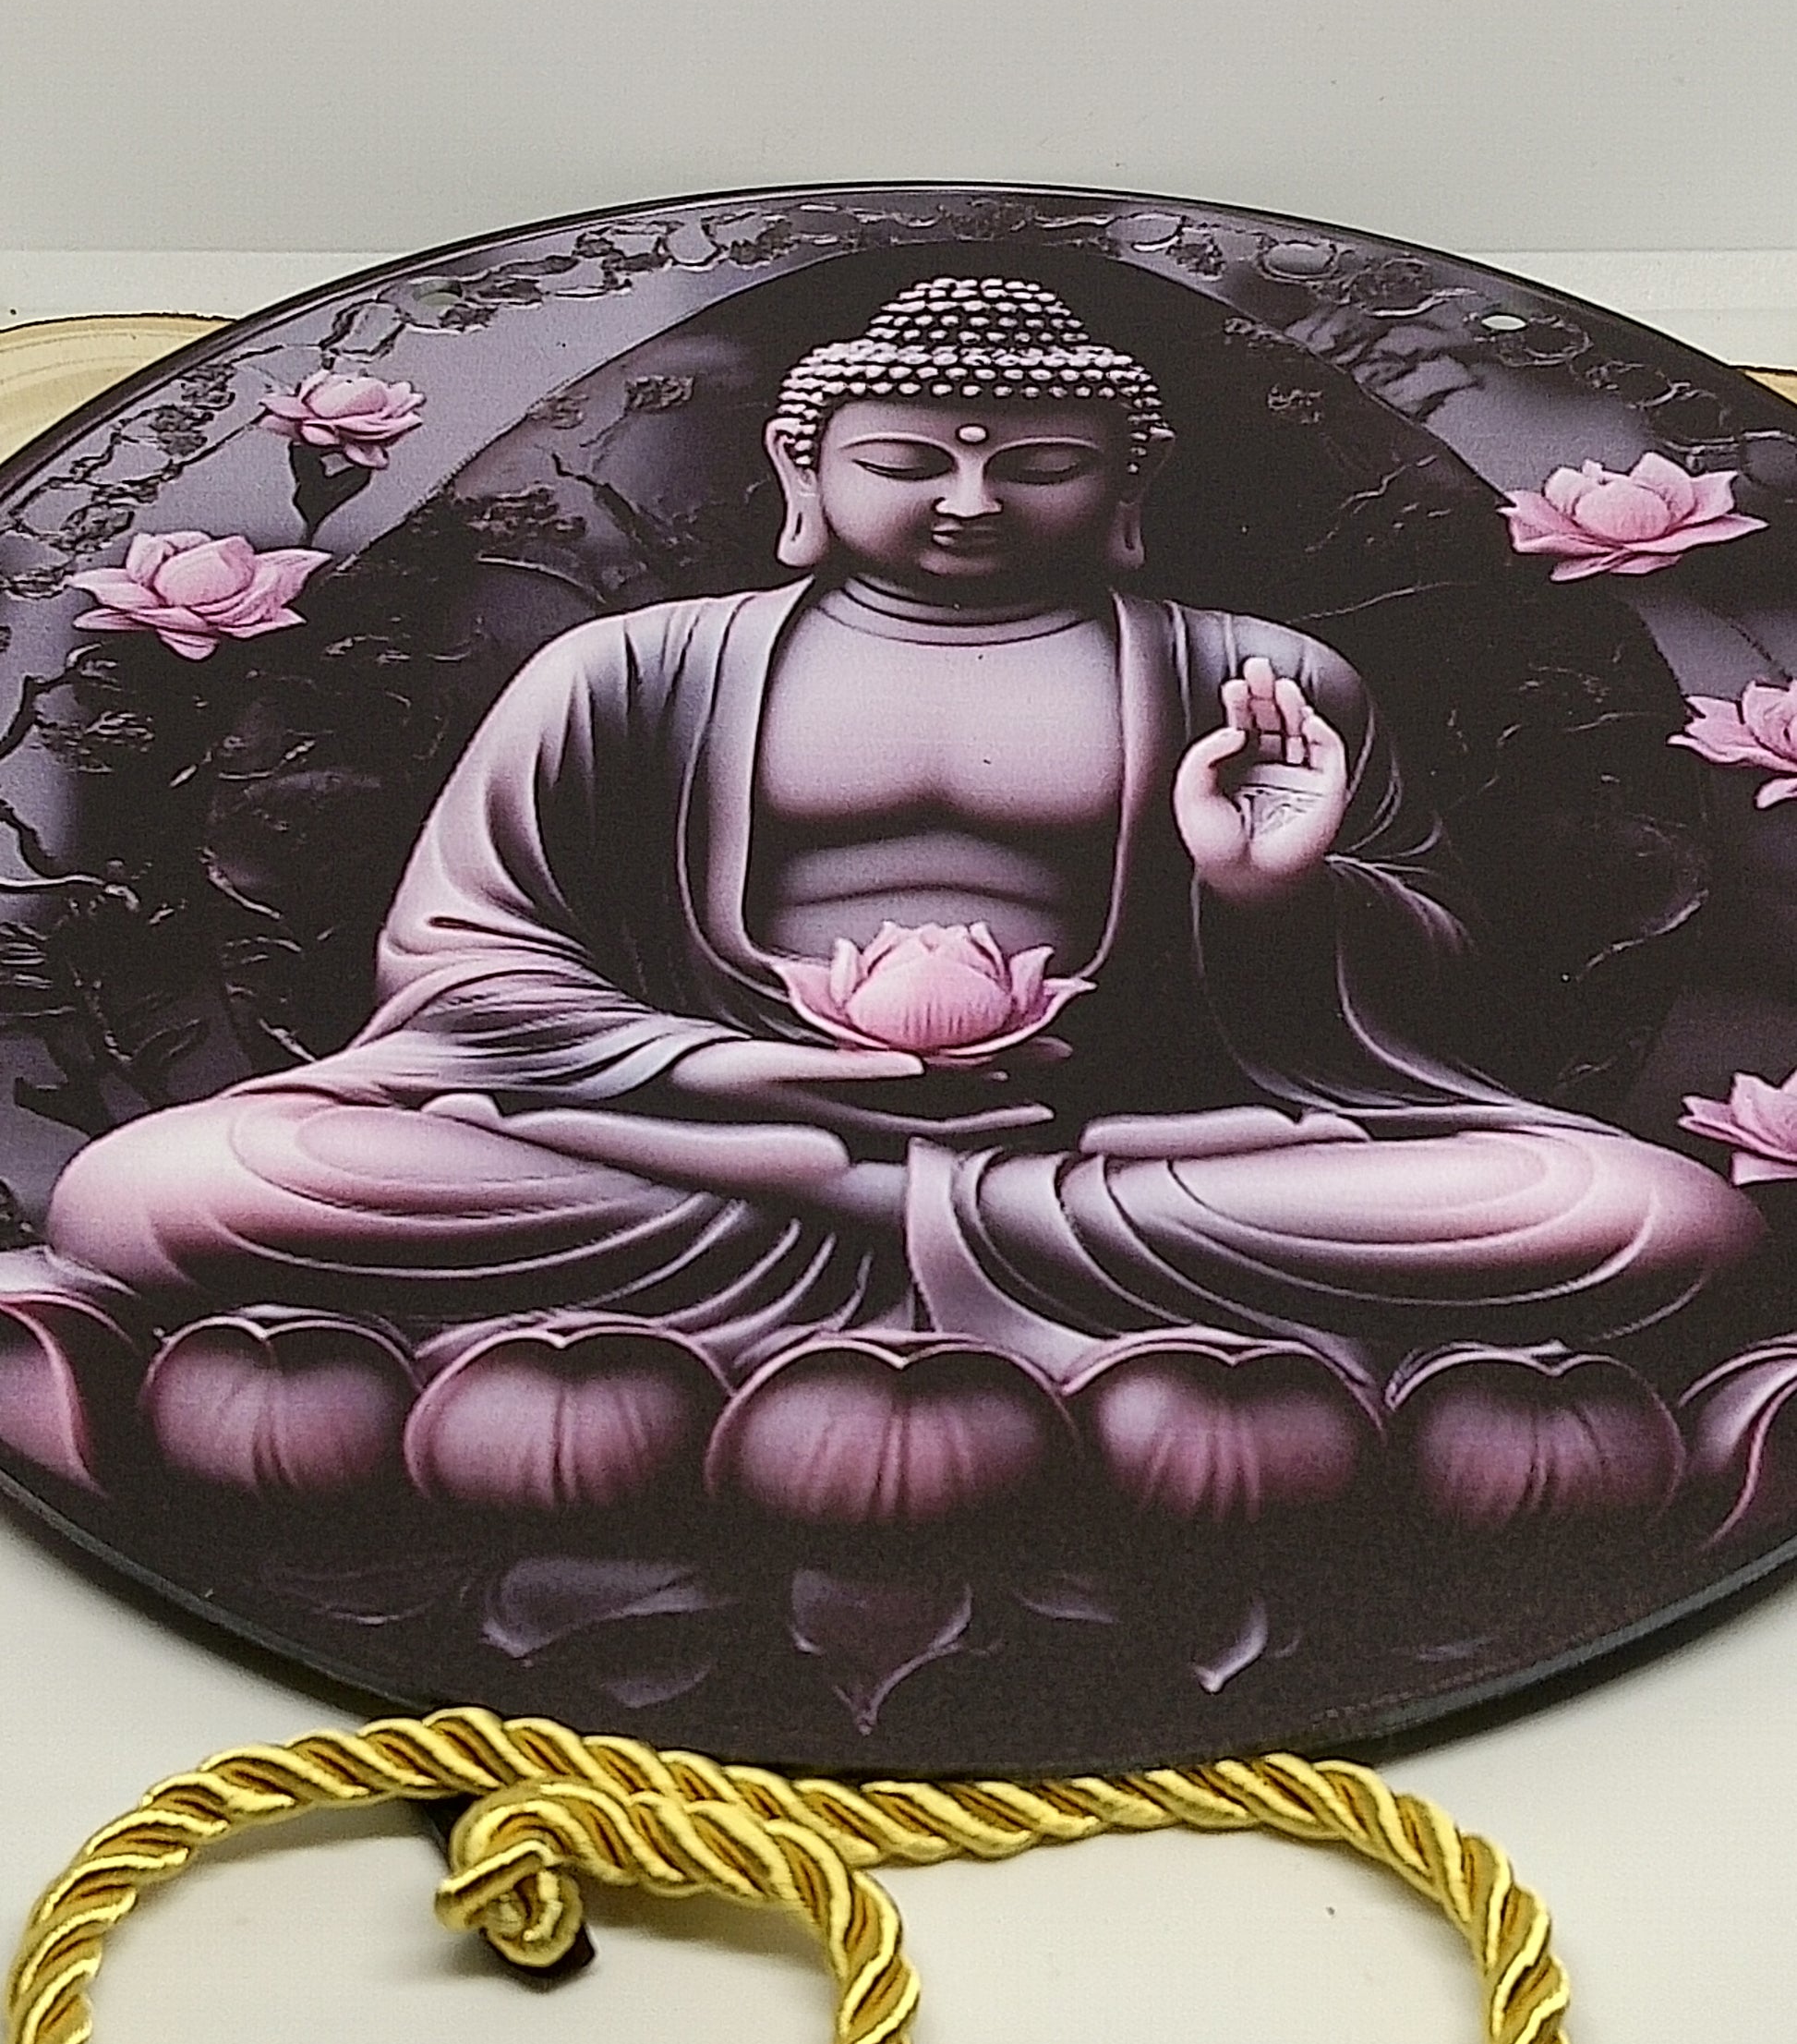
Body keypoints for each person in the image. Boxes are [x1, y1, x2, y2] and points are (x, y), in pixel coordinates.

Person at [15, 279, 1766, 1527]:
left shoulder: (1254, 677)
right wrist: (723, 1077)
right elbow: (465, 963)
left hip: (1124, 1164)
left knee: (1635, 1213)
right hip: (705, 1167)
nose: (971, 498)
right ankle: (1099, 1362)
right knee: (167, 1185)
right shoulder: (631, 671)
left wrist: (1272, 891)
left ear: (1126, 488)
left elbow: (1431, 1009)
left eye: (1038, 462)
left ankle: (697, 1353)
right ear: (805, 474)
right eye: (908, 456)